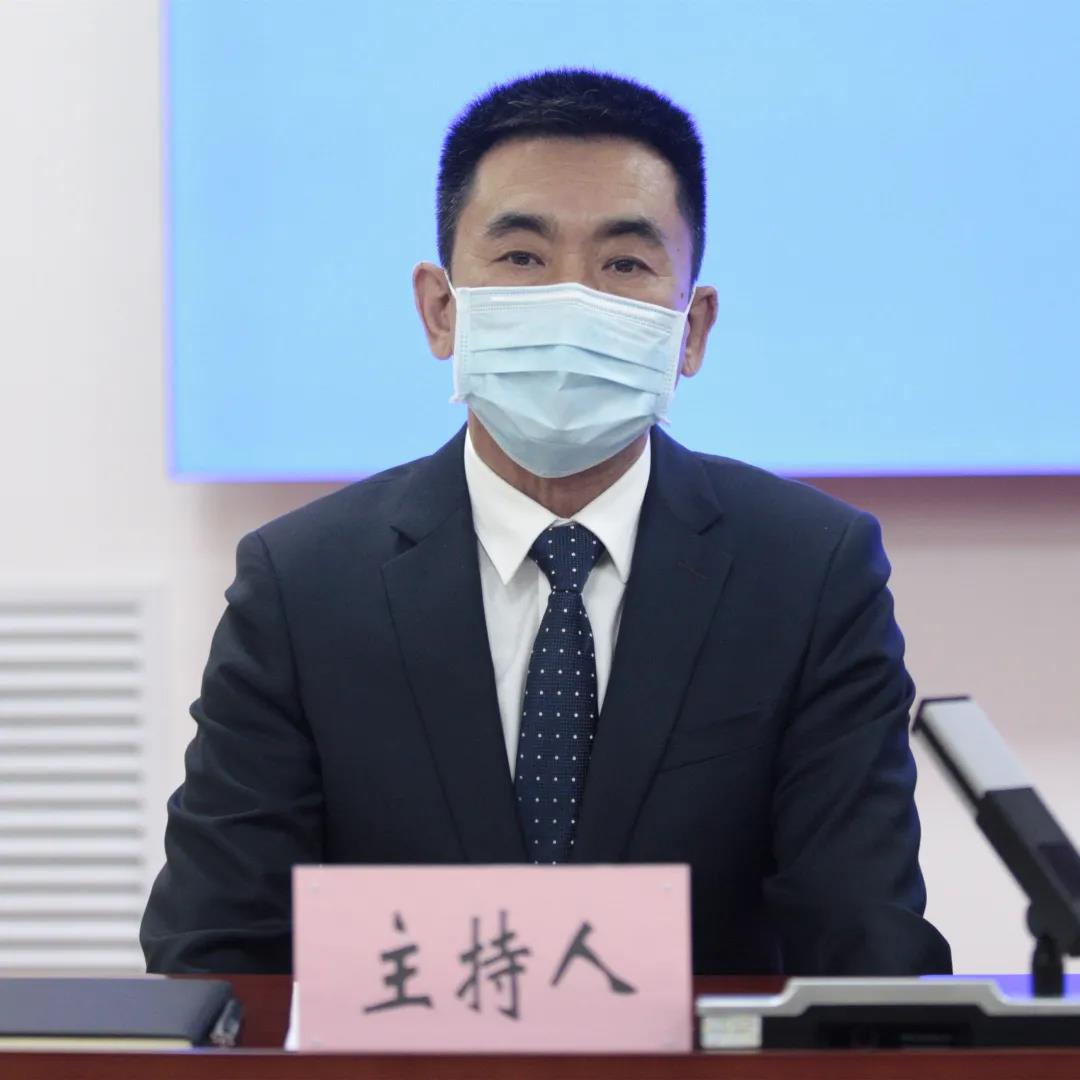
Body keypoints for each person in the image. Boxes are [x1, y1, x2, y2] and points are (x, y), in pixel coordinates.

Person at [141, 69, 951, 976]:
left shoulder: (808, 573)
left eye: (625, 264)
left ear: (692, 329)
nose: (573, 301)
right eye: (523, 258)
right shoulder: (303, 585)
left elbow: (863, 943)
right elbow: (214, 949)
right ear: (441, 310)